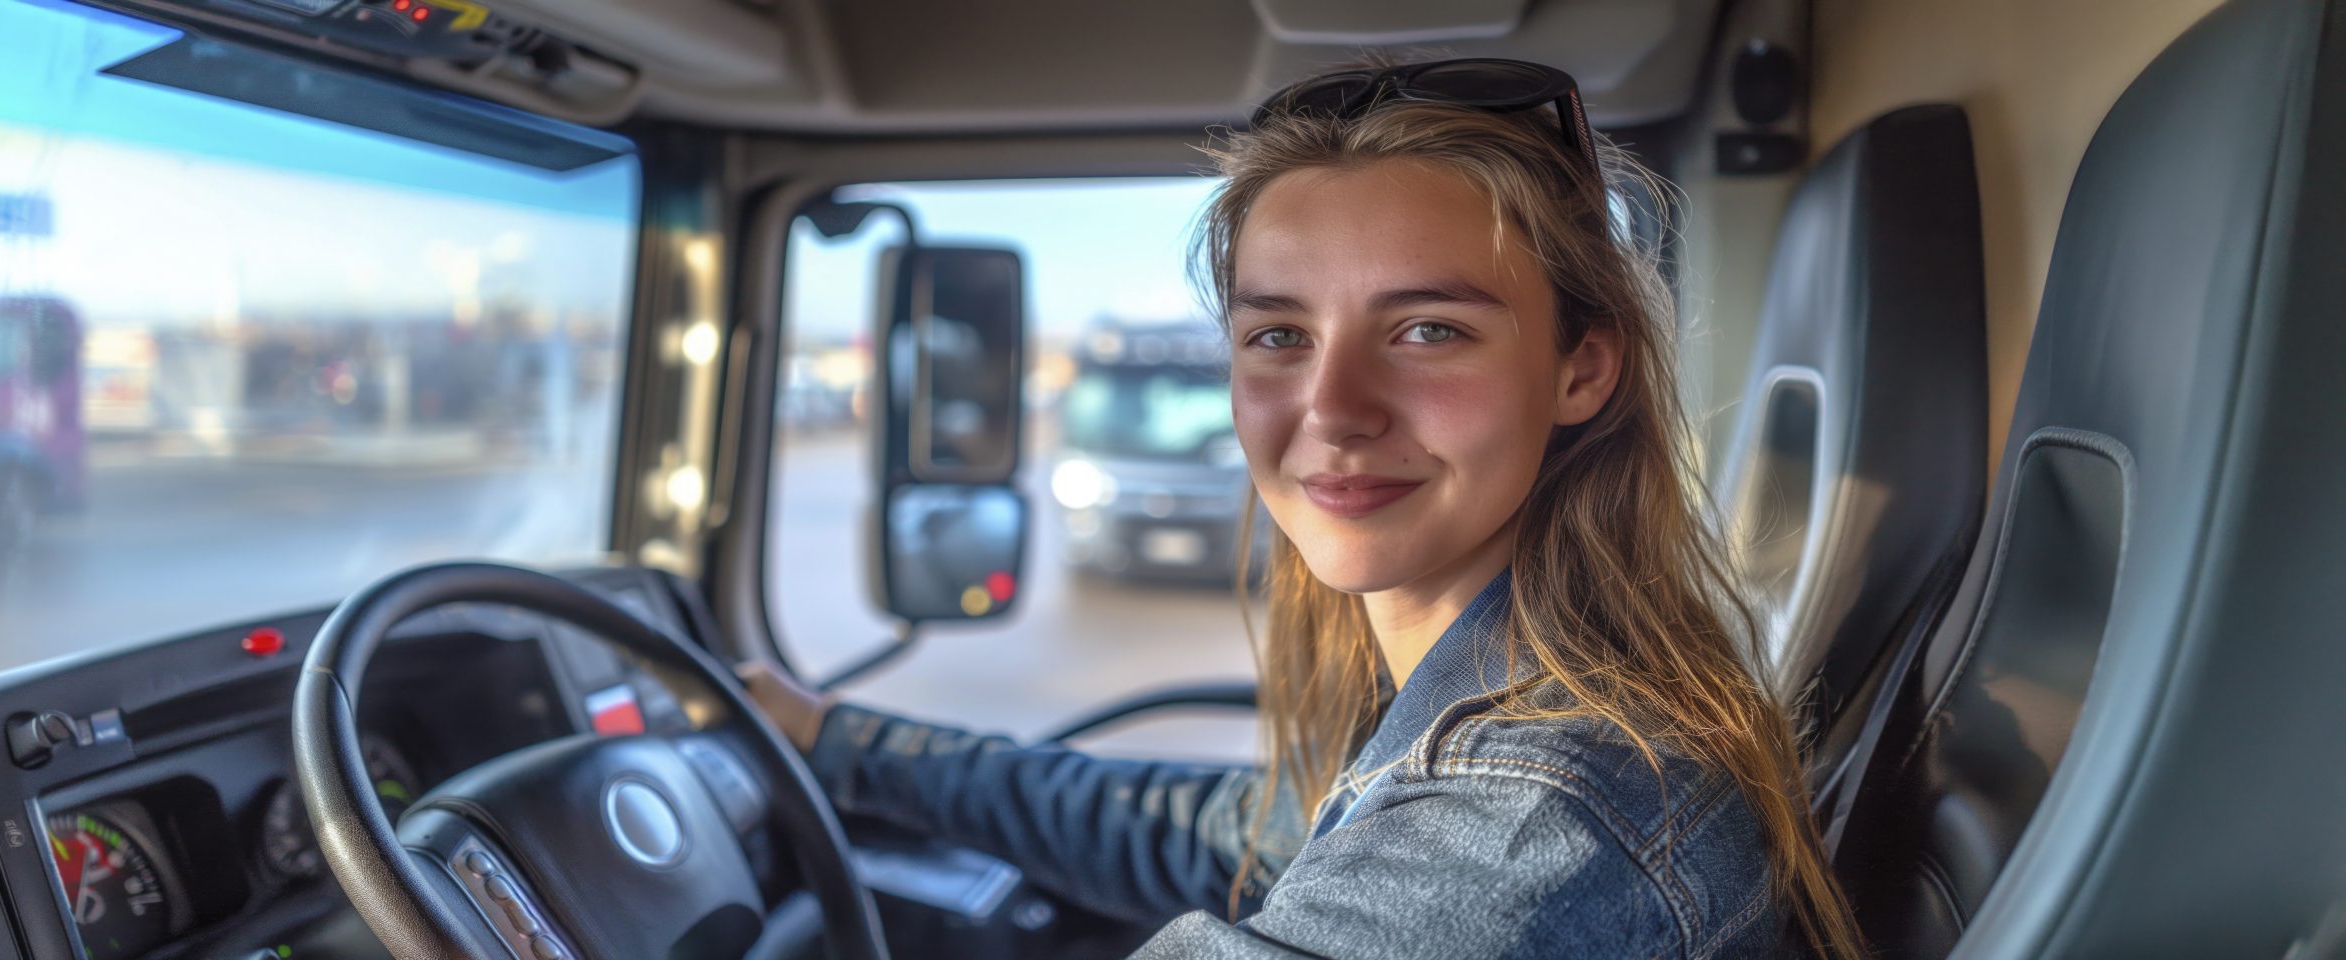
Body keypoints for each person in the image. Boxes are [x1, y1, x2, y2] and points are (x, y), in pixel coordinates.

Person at [741, 57, 1865, 959]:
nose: (1330, 410)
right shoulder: (1487, 698)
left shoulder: (1530, 817)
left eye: (1428, 329)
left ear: (1582, 367)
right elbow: (1215, 833)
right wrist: (835, 737)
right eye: (1278, 335)